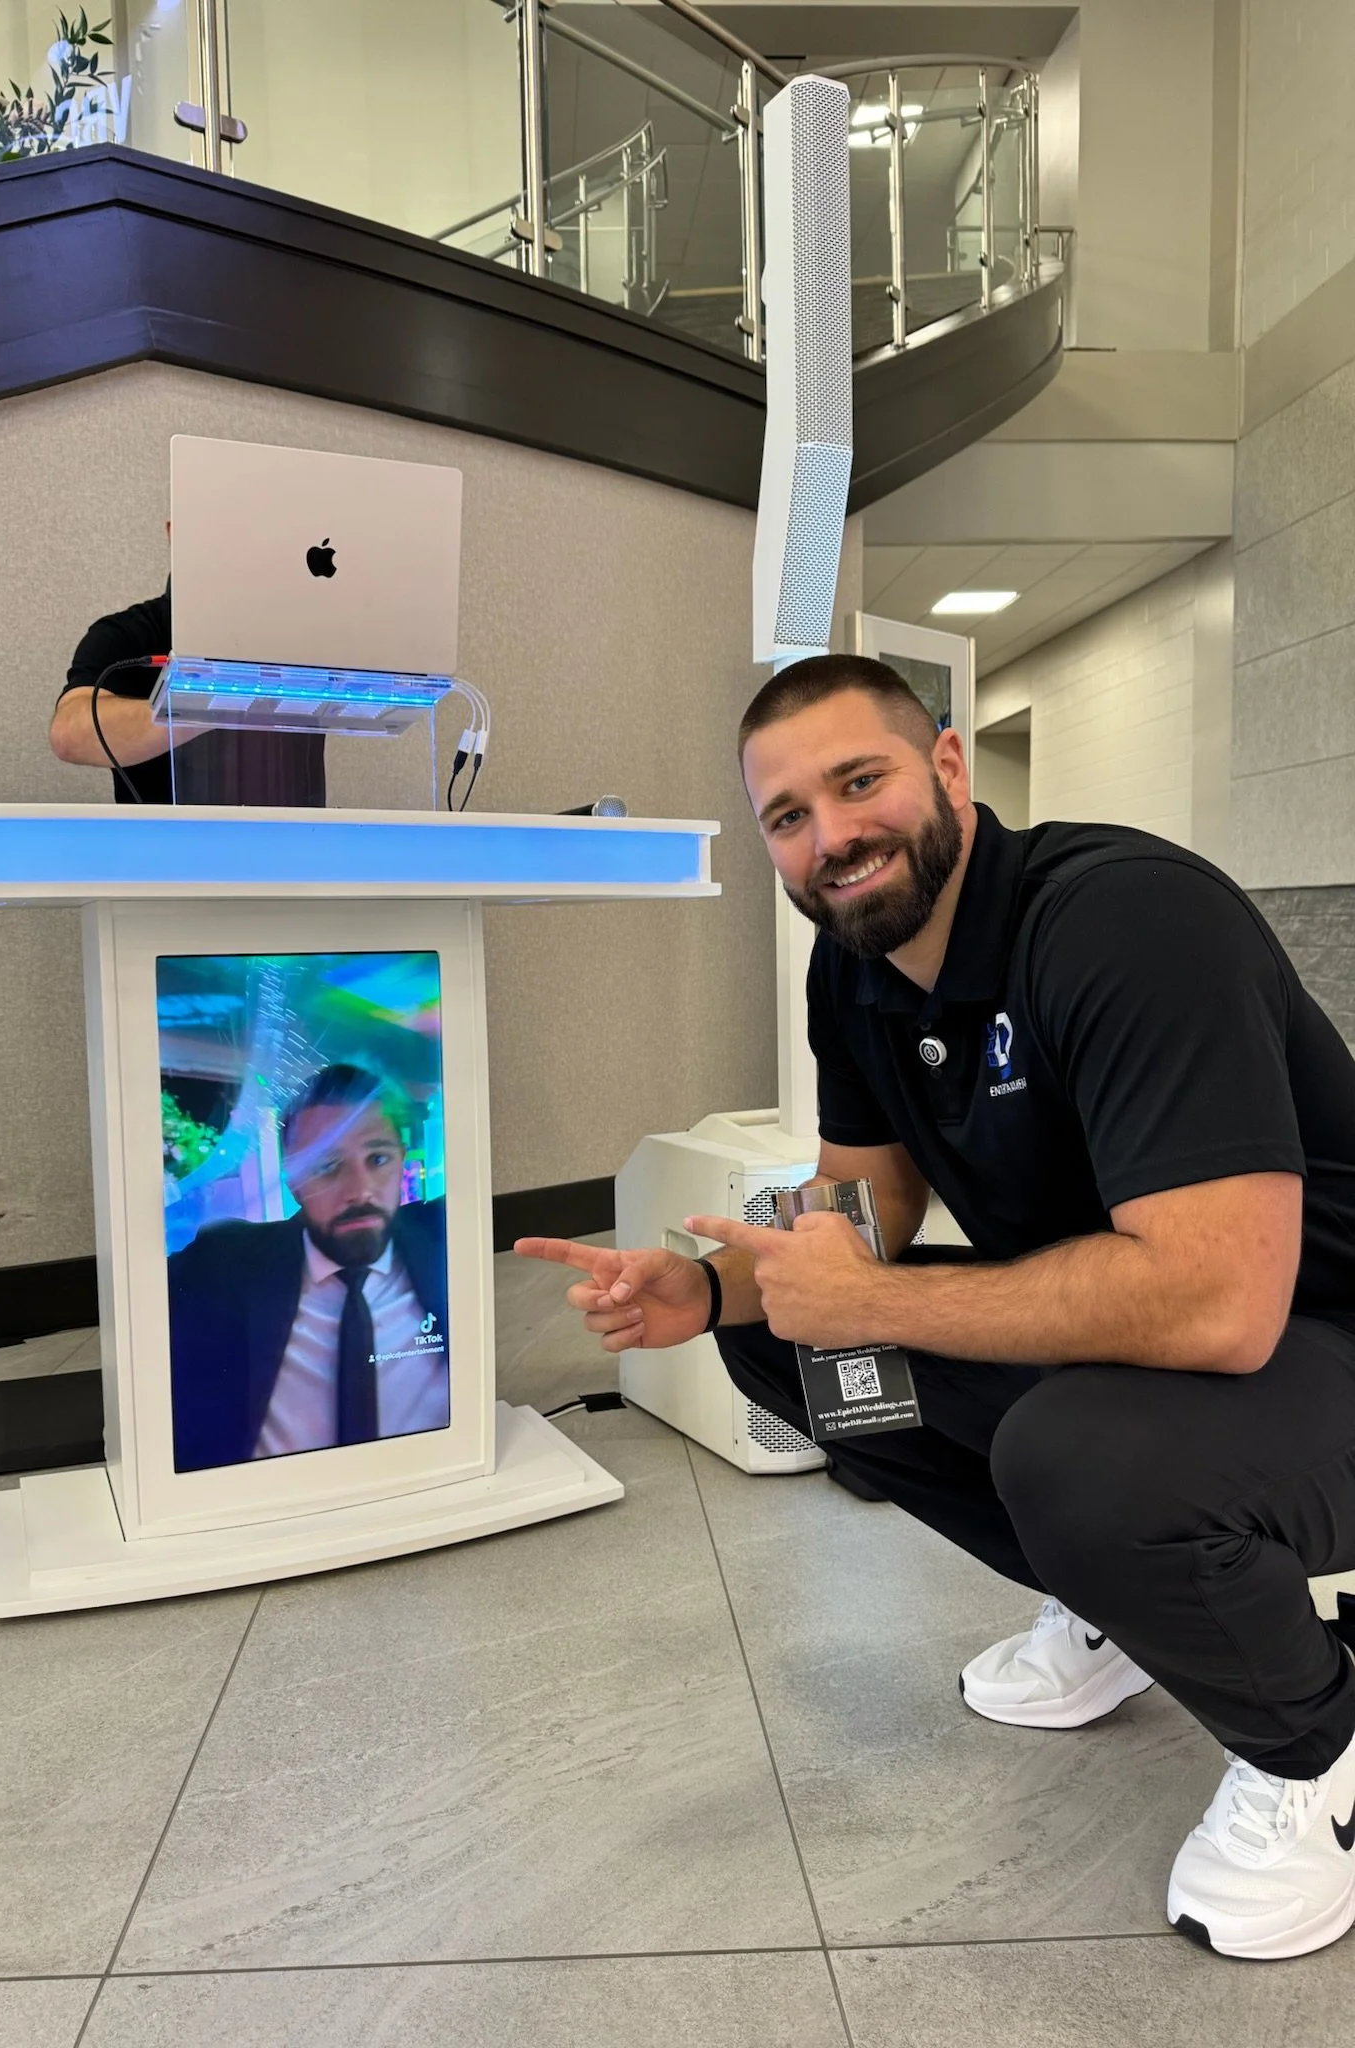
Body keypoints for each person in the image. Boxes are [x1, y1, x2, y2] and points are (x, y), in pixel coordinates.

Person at [519, 653, 1355, 1964]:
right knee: (791, 1342)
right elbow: (862, 1204)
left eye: (860, 783)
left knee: (1078, 1462)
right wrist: (721, 1281)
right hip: (1153, 1341)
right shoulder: (849, 969)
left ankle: (1319, 1751)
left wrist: (866, 1293)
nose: (832, 836)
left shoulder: (1126, 922)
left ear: (949, 770)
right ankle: (1122, 1610)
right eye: (788, 817)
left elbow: (1219, 1305)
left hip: (1319, 1338)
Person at [168, 1062, 448, 1470]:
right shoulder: (224, 1261)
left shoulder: (444, 1236)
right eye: (326, 1166)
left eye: (377, 1158)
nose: (360, 1189)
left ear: (402, 1160)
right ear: (293, 1180)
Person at [49, 551, 326, 804]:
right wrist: (220, 702)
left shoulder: (299, 635)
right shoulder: (125, 634)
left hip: (290, 847)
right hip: (160, 850)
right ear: (173, 530)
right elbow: (69, 735)